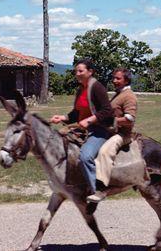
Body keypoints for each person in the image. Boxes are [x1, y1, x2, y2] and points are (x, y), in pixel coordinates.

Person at [50, 59, 114, 196]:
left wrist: (90, 120)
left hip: (99, 130)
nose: (77, 74)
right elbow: (76, 113)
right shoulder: (80, 89)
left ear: (90, 72)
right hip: (83, 129)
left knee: (85, 156)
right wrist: (62, 118)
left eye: (81, 71)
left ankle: (96, 189)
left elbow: (108, 111)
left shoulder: (97, 87)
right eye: (76, 71)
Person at [87, 68, 140, 203]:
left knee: (105, 152)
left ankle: (101, 189)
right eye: (114, 78)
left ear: (126, 80)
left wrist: (113, 121)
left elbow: (130, 118)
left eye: (118, 78)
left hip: (122, 134)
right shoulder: (118, 94)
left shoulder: (129, 96)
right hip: (110, 131)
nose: (114, 81)